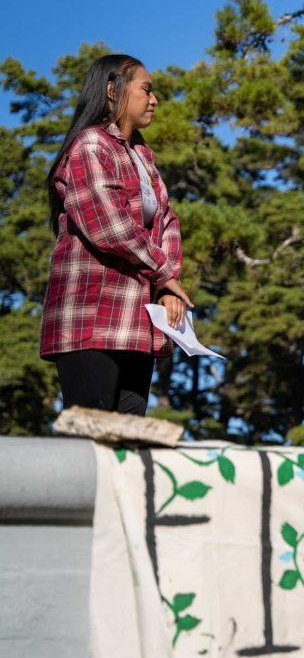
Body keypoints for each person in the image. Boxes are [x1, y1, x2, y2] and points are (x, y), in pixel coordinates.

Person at [41, 54, 191, 416]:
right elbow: (109, 227)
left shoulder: (143, 156)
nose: (154, 100)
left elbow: (167, 221)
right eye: (146, 89)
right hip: (90, 319)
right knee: (91, 443)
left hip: (136, 323)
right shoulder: (92, 146)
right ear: (113, 91)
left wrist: (165, 285)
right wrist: (165, 274)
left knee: (128, 446)